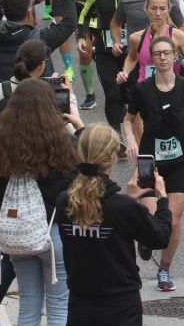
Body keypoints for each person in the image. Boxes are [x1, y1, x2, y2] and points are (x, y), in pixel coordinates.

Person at [55, 123, 173, 326]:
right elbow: (160, 237)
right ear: (111, 158)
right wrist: (162, 200)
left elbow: (97, 212)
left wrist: (128, 199)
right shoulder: (122, 207)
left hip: (80, 303)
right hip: (120, 306)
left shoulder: (64, 201)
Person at [120, 35, 184, 292]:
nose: (162, 57)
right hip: (149, 160)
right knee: (151, 214)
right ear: (152, 58)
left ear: (174, 57)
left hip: (179, 160)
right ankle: (147, 237)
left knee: (174, 220)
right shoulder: (141, 89)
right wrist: (130, 141)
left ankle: (164, 270)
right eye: (157, 53)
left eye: (166, 53)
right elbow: (128, 119)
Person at [0, 78, 78, 326]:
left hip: (19, 233)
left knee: (28, 301)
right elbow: (74, 182)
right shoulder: (61, 142)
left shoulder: (4, 140)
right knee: (59, 303)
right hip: (53, 232)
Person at [78, 0, 137, 130]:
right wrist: (82, 36)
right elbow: (84, 16)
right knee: (112, 93)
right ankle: (116, 135)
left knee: (132, 93)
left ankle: (135, 130)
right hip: (105, 51)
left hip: (131, 51)